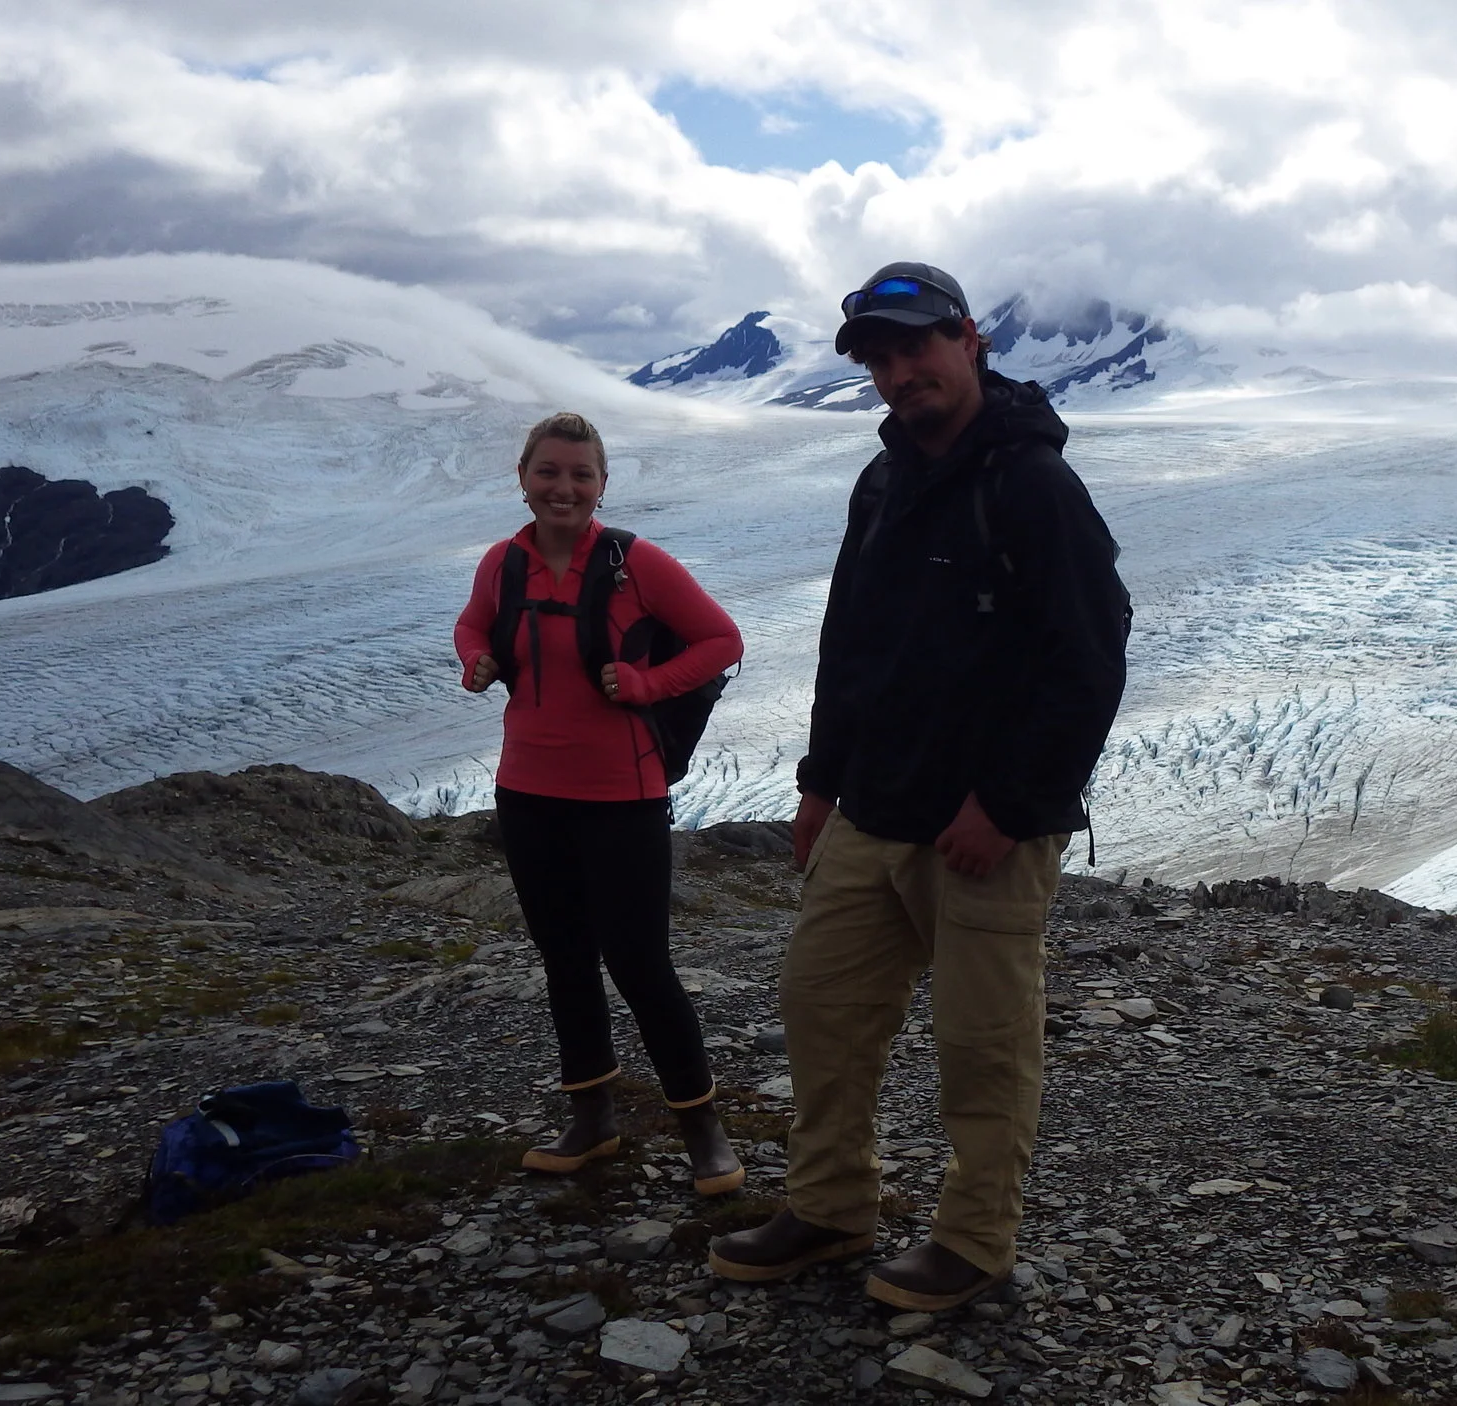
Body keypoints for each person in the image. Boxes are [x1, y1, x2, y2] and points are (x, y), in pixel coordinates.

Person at [709, 263, 1130, 1311]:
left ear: (968, 338)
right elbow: (850, 641)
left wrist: (1009, 803)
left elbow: (1090, 657)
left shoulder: (1031, 485)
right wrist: (818, 782)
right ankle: (830, 1204)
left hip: (980, 827)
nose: (901, 371)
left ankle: (975, 1243)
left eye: (917, 346)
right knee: (822, 1010)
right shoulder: (884, 480)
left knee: (982, 1046)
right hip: (873, 807)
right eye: (880, 357)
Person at [454, 410, 747, 1192]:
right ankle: (592, 1119)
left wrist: (650, 684)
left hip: (623, 795)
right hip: (528, 793)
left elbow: (722, 639)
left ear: (602, 485)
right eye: (549, 471)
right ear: (523, 480)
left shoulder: (636, 564)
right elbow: (472, 623)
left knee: (642, 962)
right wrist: (476, 659)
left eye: (581, 474)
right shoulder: (502, 565)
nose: (564, 487)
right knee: (566, 961)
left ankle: (701, 1127)